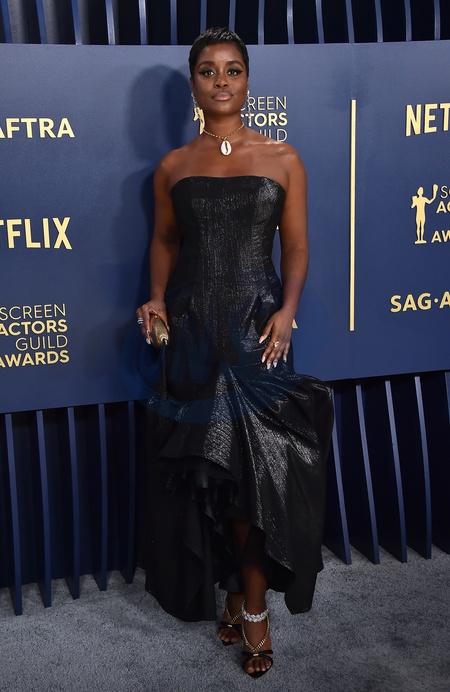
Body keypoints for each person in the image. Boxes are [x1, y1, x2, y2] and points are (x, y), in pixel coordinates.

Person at [136, 27, 333, 679]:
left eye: (233, 69)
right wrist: (156, 298)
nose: (221, 80)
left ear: (248, 81)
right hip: (194, 333)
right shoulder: (172, 166)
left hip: (257, 334)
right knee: (211, 478)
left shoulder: (283, 157)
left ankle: (254, 610)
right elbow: (165, 240)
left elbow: (296, 246)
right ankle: (231, 593)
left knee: (256, 479)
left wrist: (287, 311)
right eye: (208, 70)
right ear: (193, 84)